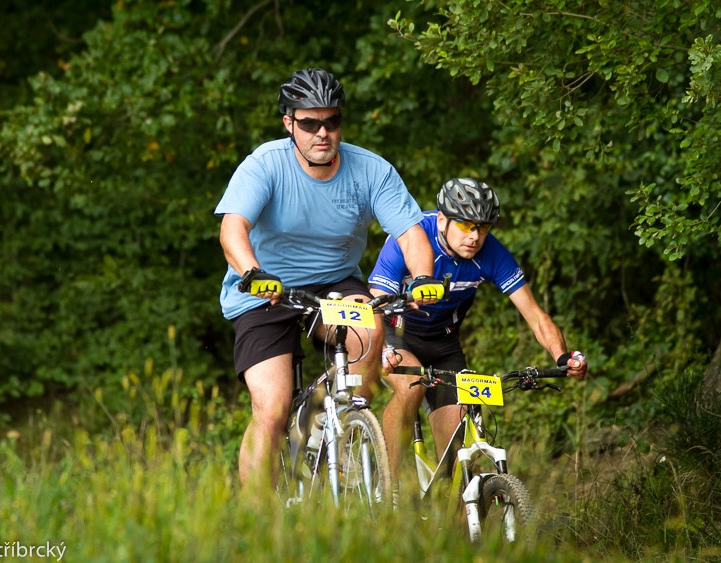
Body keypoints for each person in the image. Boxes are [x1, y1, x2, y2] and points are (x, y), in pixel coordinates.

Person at [215, 68, 439, 490]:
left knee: (370, 332)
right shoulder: (264, 164)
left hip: (335, 282)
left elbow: (411, 233)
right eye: (309, 123)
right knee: (272, 407)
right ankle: (253, 523)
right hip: (267, 289)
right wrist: (251, 273)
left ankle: (343, 428)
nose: (322, 132)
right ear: (289, 123)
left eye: (331, 121)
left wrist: (423, 277)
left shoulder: (371, 170)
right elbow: (232, 230)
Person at [367, 177, 588, 488]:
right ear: (442, 219)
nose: (475, 236)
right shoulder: (411, 235)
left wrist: (562, 356)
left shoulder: (491, 253)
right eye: (466, 225)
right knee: (410, 389)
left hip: (444, 345)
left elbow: (537, 316)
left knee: (458, 448)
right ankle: (386, 493)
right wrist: (381, 350)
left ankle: (455, 519)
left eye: (483, 228)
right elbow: (375, 303)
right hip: (396, 336)